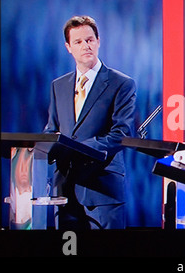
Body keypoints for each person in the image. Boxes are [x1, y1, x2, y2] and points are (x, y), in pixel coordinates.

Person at [44, 16, 136, 229]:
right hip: (64, 189)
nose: (85, 45)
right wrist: (37, 151)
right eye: (78, 42)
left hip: (102, 189)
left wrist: (76, 148)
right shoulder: (58, 86)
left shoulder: (121, 83)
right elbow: (51, 129)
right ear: (68, 47)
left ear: (98, 41)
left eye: (89, 40)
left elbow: (120, 135)